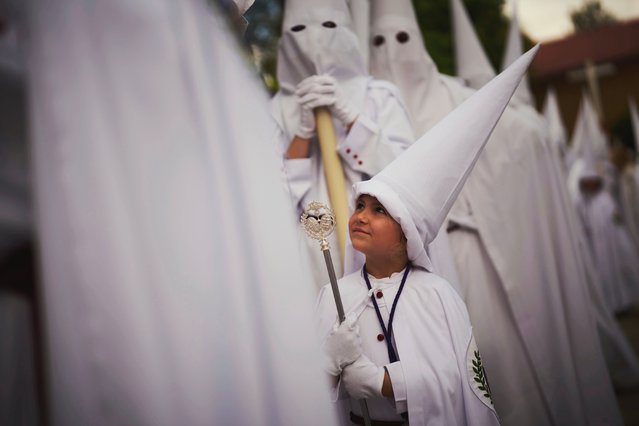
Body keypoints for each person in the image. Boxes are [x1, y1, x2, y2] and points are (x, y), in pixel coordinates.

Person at [315, 46, 539, 426]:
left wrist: (383, 381)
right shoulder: (334, 294)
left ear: (408, 234)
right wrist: (327, 366)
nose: (361, 217)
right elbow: (308, 395)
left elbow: (458, 382)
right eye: (360, 206)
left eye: (379, 210)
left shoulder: (437, 296)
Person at [270, 0, 414, 289]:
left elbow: (406, 174)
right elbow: (274, 198)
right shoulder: (276, 109)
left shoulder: (380, 97)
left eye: (328, 26)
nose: (313, 40)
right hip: (311, 259)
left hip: (379, 250)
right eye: (299, 29)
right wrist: (302, 132)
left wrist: (350, 118)